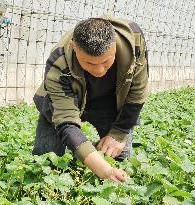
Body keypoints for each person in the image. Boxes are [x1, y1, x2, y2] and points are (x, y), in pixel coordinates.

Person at [32, 16, 148, 183]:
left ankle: (88, 151)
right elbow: (66, 120)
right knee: (45, 159)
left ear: (114, 45)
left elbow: (138, 91)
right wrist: (102, 169)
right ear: (73, 46)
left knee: (120, 157)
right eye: (89, 63)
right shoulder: (58, 62)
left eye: (106, 61)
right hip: (67, 101)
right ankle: (85, 153)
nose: (99, 70)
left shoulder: (133, 38)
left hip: (109, 102)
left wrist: (119, 133)